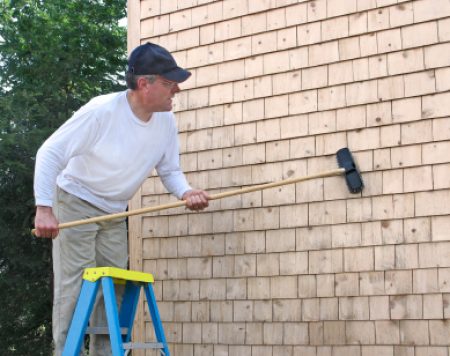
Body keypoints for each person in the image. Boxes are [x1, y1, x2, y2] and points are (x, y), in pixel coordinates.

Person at [33, 42, 210, 356]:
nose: (177, 90)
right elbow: (49, 153)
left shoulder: (165, 121)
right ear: (144, 84)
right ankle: (64, 352)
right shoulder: (102, 112)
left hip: (115, 211)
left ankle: (105, 354)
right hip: (75, 200)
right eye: (170, 83)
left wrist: (186, 192)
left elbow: (169, 169)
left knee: (112, 290)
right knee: (75, 288)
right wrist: (44, 208)